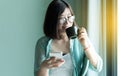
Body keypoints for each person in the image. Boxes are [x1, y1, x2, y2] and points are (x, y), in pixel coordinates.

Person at [34, 0, 103, 76]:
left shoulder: (80, 38)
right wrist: (44, 67)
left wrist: (86, 45)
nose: (67, 22)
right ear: (52, 20)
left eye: (69, 17)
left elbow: (98, 67)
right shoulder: (42, 43)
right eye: (62, 18)